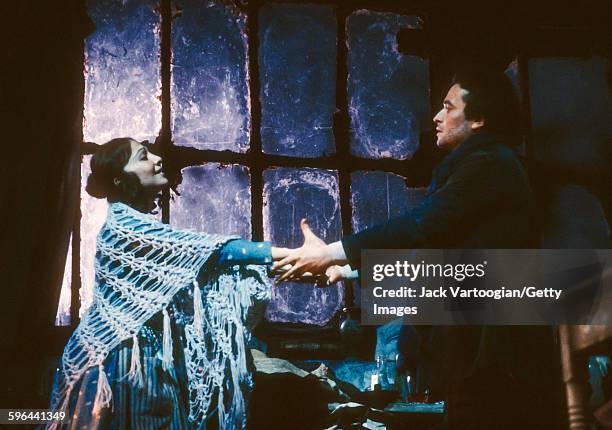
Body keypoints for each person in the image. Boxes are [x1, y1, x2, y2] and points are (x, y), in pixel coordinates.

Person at [274, 69, 559, 429]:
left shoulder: (491, 164)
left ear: (480, 119)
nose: (437, 117)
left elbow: (423, 226)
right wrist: (347, 270)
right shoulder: (478, 164)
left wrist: (332, 252)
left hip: (499, 357)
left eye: (448, 107)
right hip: (480, 352)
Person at [48, 137, 288, 430]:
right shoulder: (124, 228)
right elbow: (210, 250)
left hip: (138, 357)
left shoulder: (135, 226)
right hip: (123, 359)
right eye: (143, 156)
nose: (157, 158)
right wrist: (288, 255)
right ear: (121, 181)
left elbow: (195, 267)